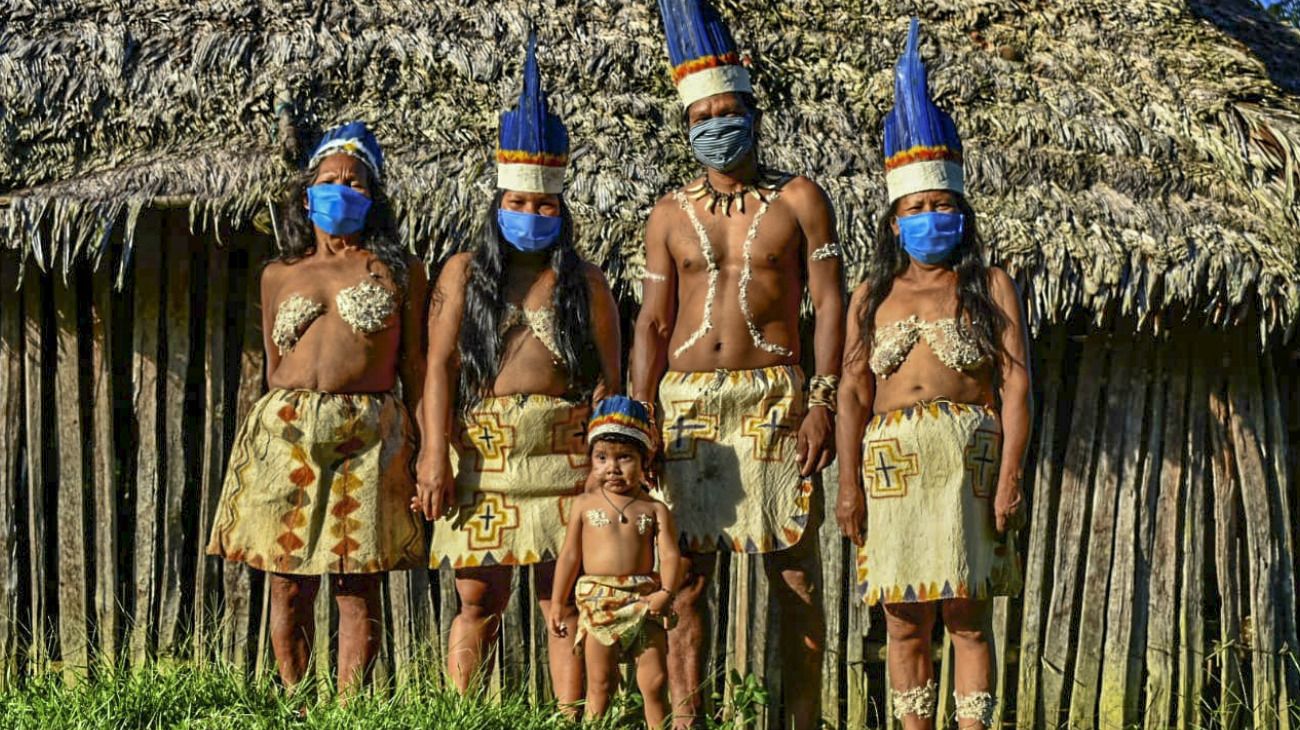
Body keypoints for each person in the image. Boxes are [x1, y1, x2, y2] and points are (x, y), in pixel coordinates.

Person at [630, 2, 845, 727]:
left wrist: (822, 400)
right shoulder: (667, 213)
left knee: (795, 578)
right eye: (704, 116)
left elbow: (830, 306)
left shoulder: (800, 200)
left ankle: (803, 720)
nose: (718, 125)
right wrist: (639, 419)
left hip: (774, 398)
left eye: (730, 110)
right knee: (686, 581)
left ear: (754, 112)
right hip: (688, 405)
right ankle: (690, 722)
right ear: (687, 127)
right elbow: (653, 323)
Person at [413, 34, 622, 710]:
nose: (531, 216)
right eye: (520, 204)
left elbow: (607, 381)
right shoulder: (462, 274)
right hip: (483, 454)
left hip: (563, 454)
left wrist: (604, 461)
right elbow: (439, 368)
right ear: (497, 203)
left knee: (561, 596)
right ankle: (462, 716)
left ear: (561, 211)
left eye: (544, 206)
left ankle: (570, 718)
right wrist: (434, 453)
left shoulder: (585, 284)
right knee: (478, 594)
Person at [835, 19, 1030, 730]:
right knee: (904, 618)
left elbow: (1014, 387)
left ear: (962, 211)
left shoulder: (992, 286)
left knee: (967, 615)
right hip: (891, 468)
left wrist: (1009, 477)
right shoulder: (872, 297)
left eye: (943, 204)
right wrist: (848, 485)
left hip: (965, 467)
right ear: (894, 222)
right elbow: (854, 393)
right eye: (917, 208)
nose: (932, 217)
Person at [206, 121, 428, 696]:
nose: (340, 189)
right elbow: (276, 361)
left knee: (358, 583)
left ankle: (350, 708)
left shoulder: (400, 271)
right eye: (328, 180)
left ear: (373, 196)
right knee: (287, 581)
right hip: (286, 433)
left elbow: (416, 367)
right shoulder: (279, 274)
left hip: (370, 432)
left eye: (353, 182)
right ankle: (297, 703)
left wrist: (430, 448)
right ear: (307, 196)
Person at [549, 396, 682, 728]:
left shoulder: (654, 509)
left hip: (644, 600)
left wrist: (667, 591)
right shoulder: (584, 504)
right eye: (602, 458)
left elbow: (668, 553)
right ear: (591, 460)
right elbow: (569, 556)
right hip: (599, 603)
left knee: (654, 682)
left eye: (625, 458)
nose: (613, 467)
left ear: (644, 459)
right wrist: (557, 602)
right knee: (601, 685)